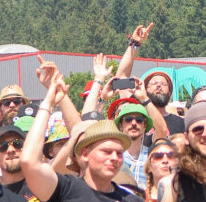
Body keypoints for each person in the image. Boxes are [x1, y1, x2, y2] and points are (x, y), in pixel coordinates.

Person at [20, 74, 141, 202]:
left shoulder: (131, 199)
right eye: (106, 151)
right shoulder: (66, 189)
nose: (114, 158)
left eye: (119, 153)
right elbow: (29, 161)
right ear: (84, 154)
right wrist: (47, 105)